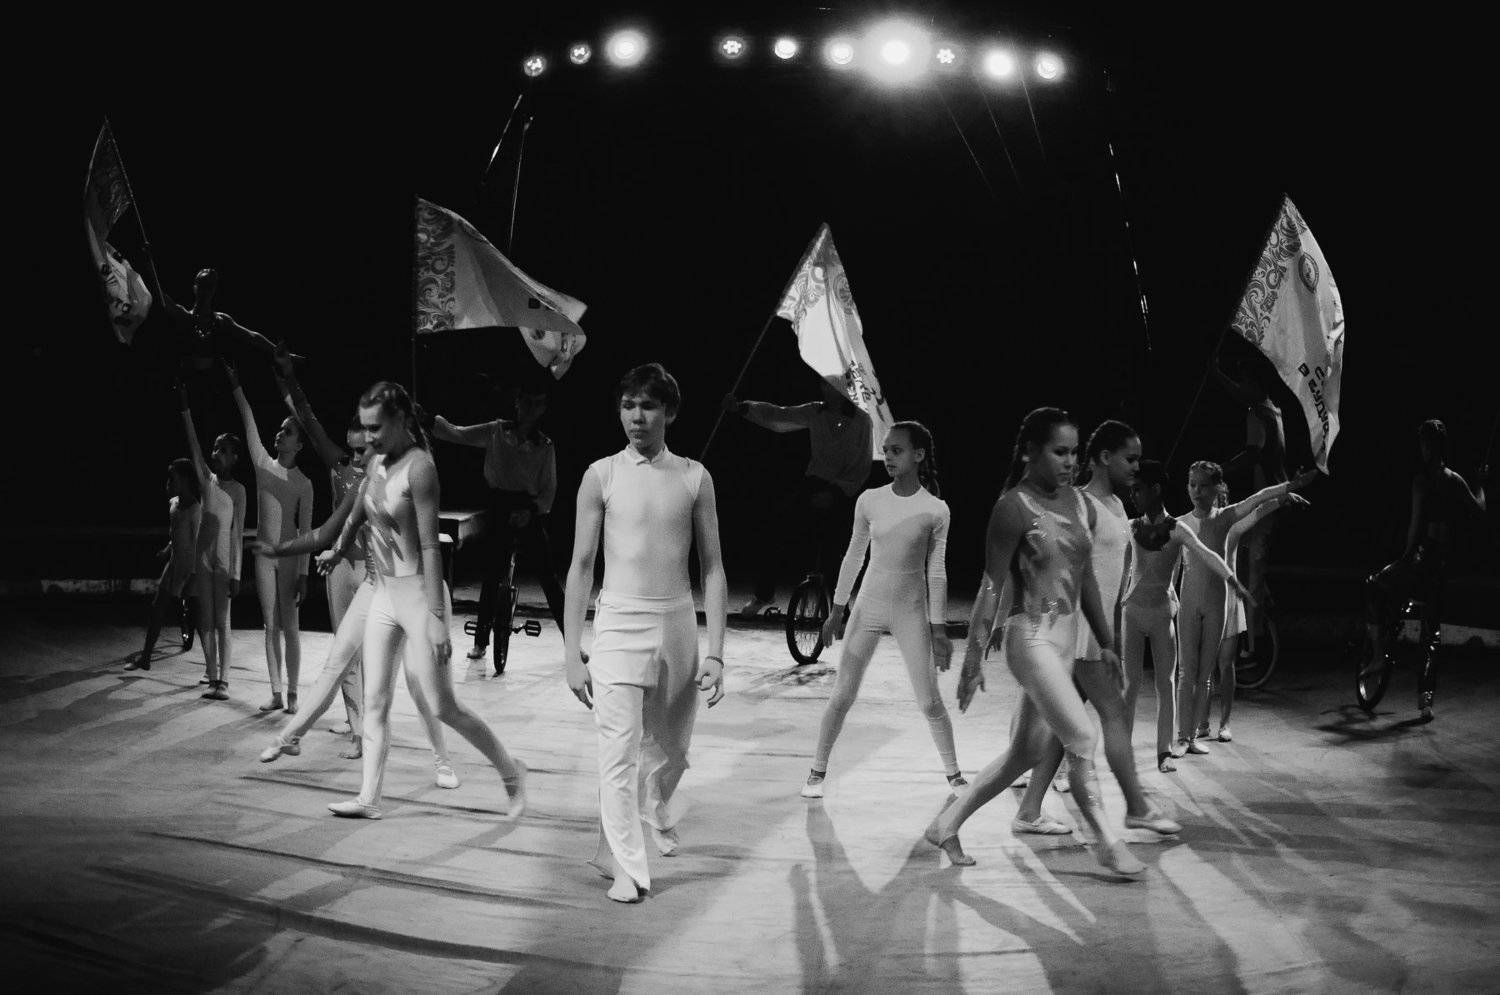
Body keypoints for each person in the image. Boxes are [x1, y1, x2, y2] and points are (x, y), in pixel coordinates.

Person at [930, 407, 1144, 878]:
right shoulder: (1013, 507)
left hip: (1065, 641)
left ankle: (946, 824)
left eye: (1074, 452)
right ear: (1031, 452)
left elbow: (1086, 578)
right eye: (1059, 452)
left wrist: (1106, 641)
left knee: (1025, 753)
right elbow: (990, 586)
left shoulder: (1079, 503)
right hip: (1030, 637)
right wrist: (972, 659)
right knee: (1082, 737)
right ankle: (1108, 845)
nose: (1070, 461)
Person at [321, 381, 526, 820]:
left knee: (442, 705)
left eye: (376, 428)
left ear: (399, 422)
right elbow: (356, 517)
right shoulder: (375, 464)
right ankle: (369, 798)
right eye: (365, 428)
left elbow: (431, 547)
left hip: (418, 596)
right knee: (376, 699)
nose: (369, 437)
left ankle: (510, 771)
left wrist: (435, 616)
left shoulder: (420, 469)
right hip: (383, 595)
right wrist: (337, 549)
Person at [563, 363, 727, 903]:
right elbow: (581, 566)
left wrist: (717, 653)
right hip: (618, 624)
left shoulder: (695, 477)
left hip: (676, 624)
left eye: (648, 406)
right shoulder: (601, 475)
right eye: (628, 405)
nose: (637, 416)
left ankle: (649, 811)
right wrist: (571, 653)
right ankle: (628, 870)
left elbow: (713, 569)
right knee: (619, 751)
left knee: (672, 751)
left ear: (669, 413)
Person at [1008, 422, 1180, 837]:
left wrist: (1112, 636)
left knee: (1061, 727)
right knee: (1114, 713)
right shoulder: (1079, 504)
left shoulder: (1118, 506)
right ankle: (1137, 808)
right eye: (1130, 459)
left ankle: (1028, 811)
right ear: (1104, 457)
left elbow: (1116, 579)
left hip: (1097, 632)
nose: (1137, 467)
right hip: (1076, 630)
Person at [255, 436, 458, 788]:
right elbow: (331, 531)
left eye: (362, 451)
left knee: (417, 681)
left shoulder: (413, 477)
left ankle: (443, 761)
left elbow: (428, 546)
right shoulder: (363, 486)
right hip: (376, 586)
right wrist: (289, 549)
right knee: (337, 662)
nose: (355, 459)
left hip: (416, 589)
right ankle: (289, 737)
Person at [801, 421, 962, 799]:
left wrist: (939, 630)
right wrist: (837, 610)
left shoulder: (935, 509)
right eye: (886, 450)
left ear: (919, 455)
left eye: (897, 450)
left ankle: (955, 775)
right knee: (843, 694)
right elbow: (854, 555)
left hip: (910, 612)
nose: (888, 456)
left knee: (929, 700)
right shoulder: (870, 500)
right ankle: (816, 771)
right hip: (868, 607)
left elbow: (936, 571)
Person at [1176, 461, 1315, 755]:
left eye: (1207, 488)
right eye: (1193, 485)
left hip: (1227, 599)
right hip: (1196, 599)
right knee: (1197, 669)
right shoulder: (1186, 524)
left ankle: (1223, 722)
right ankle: (1198, 725)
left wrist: (1284, 495)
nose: (1200, 493)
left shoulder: (1232, 524)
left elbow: (1258, 506)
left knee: (1224, 664)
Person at [1120, 461, 1249, 772]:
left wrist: (1232, 579)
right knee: (1130, 685)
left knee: (1166, 684)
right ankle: (1121, 751)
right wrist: (1113, 609)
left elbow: (1207, 554)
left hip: (1161, 615)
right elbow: (1121, 570)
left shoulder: (1178, 529)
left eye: (1138, 490)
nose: (1133, 496)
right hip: (1132, 613)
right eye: (1132, 490)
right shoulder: (1131, 526)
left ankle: (1164, 752)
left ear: (1155, 490)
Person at [430, 383, 567, 663]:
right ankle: (480, 642)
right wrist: (425, 419)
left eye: (537, 404)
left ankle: (572, 642)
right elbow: (456, 433)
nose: (530, 409)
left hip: (529, 509)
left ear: (543, 409)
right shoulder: (496, 431)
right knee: (492, 575)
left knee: (548, 577)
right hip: (499, 506)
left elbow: (549, 489)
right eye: (526, 402)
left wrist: (531, 512)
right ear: (517, 403)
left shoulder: (545, 446)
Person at [1365, 419, 1488, 722]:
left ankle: (1378, 655)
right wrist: (1480, 483)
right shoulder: (1455, 480)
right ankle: (1425, 700)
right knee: (1431, 630)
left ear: (1427, 447)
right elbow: (1479, 510)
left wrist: (1404, 558)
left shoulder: (1421, 481)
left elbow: (1415, 525)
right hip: (1443, 563)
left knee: (1374, 584)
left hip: (1422, 557)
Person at [725, 380, 874, 616]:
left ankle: (840, 608)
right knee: (778, 532)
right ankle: (764, 594)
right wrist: (742, 408)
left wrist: (835, 493)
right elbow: (779, 416)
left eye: (832, 386)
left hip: (844, 490)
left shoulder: (862, 420)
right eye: (824, 385)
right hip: (813, 483)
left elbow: (862, 466)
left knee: (835, 551)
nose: (827, 390)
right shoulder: (816, 411)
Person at [273, 347, 362, 739]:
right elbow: (308, 421)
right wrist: (289, 378)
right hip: (339, 565)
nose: (359, 446)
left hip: (374, 568)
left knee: (371, 648)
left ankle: (367, 721)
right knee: (344, 647)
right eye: (354, 438)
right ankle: (357, 724)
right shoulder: (339, 466)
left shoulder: (385, 471)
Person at [227, 359, 315, 714]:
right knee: (270, 625)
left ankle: (292, 693)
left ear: (299, 445)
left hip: (291, 556)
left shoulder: (304, 484)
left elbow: (307, 532)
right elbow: (248, 419)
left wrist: (305, 573)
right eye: (279, 430)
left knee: (290, 627)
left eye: (287, 432)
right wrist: (236, 384)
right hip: (264, 556)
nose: (279, 434)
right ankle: (276, 692)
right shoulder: (263, 464)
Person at [1211, 345, 1287, 656]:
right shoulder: (1274, 409)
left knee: (1252, 571)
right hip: (1273, 497)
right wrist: (1218, 374)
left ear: (1255, 384)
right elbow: (1240, 393)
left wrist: (1220, 469)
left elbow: (1252, 455)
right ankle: (1262, 615)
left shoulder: (1257, 413)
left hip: (1267, 501)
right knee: (1242, 558)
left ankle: (1253, 646)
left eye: (1244, 382)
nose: (1241, 388)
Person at [178, 385, 246, 701]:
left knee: (222, 622)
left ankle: (224, 681)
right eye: (215, 449)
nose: (216, 453)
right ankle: (212, 675)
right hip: (203, 560)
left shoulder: (239, 491)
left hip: (224, 563)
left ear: (234, 457)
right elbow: (194, 447)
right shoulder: (207, 481)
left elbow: (237, 533)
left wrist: (236, 574)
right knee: (205, 621)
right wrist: (185, 410)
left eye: (222, 450)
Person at [124, 458, 202, 671]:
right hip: (175, 563)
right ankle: (146, 657)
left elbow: (197, 544)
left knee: (197, 616)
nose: (168, 483)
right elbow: (176, 535)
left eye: (172, 479)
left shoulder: (195, 509)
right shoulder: (173, 504)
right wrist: (167, 550)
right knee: (157, 608)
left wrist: (194, 575)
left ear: (184, 480)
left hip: (188, 567)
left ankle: (211, 667)